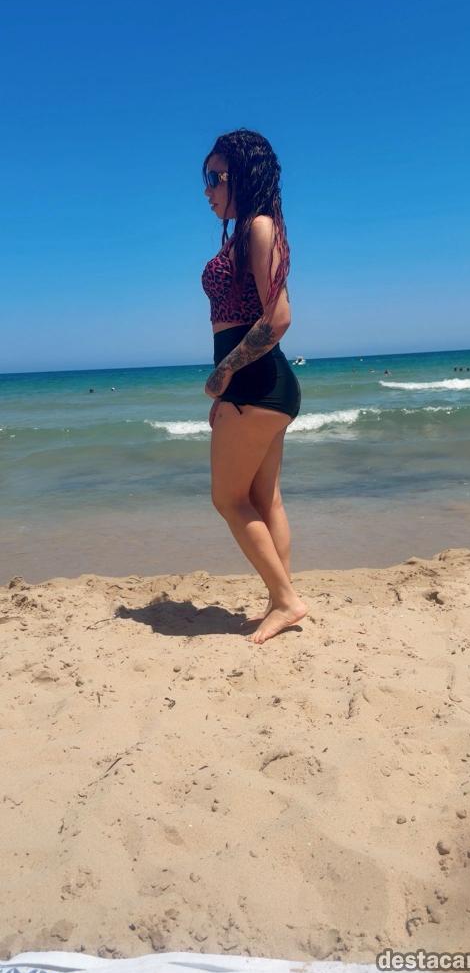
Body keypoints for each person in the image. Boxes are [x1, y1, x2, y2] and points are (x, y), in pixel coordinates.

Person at [201, 129, 307, 644]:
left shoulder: (259, 226)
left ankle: (285, 600)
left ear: (241, 176)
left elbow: (278, 317)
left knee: (228, 499)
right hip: (262, 387)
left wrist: (224, 374)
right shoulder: (247, 231)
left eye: (214, 177)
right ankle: (279, 602)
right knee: (266, 500)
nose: (207, 190)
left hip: (256, 386)